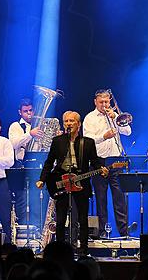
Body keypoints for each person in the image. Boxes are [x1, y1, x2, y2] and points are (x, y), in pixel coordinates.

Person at [37, 111, 108, 254]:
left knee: (82, 218)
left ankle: (83, 249)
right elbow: (49, 162)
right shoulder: (58, 141)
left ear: (78, 124)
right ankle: (60, 250)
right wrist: (42, 179)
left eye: (71, 121)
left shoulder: (87, 142)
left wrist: (102, 169)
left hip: (81, 182)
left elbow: (94, 161)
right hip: (61, 181)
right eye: (66, 121)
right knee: (61, 218)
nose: (68, 124)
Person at [82, 89, 131, 238]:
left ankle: (123, 232)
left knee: (120, 197)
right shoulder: (90, 118)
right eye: (101, 102)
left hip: (116, 160)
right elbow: (87, 139)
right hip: (99, 161)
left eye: (107, 101)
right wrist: (104, 136)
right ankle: (102, 232)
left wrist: (115, 117)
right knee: (101, 198)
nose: (104, 104)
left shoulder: (114, 115)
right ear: (95, 102)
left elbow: (127, 132)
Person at [7, 98, 42, 225]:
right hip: (21, 165)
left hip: (37, 165)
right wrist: (30, 134)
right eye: (25, 111)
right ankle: (21, 227)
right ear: (20, 112)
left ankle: (37, 227)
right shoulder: (15, 126)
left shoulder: (39, 126)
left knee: (37, 198)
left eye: (31, 110)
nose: (29, 113)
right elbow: (13, 144)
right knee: (21, 199)